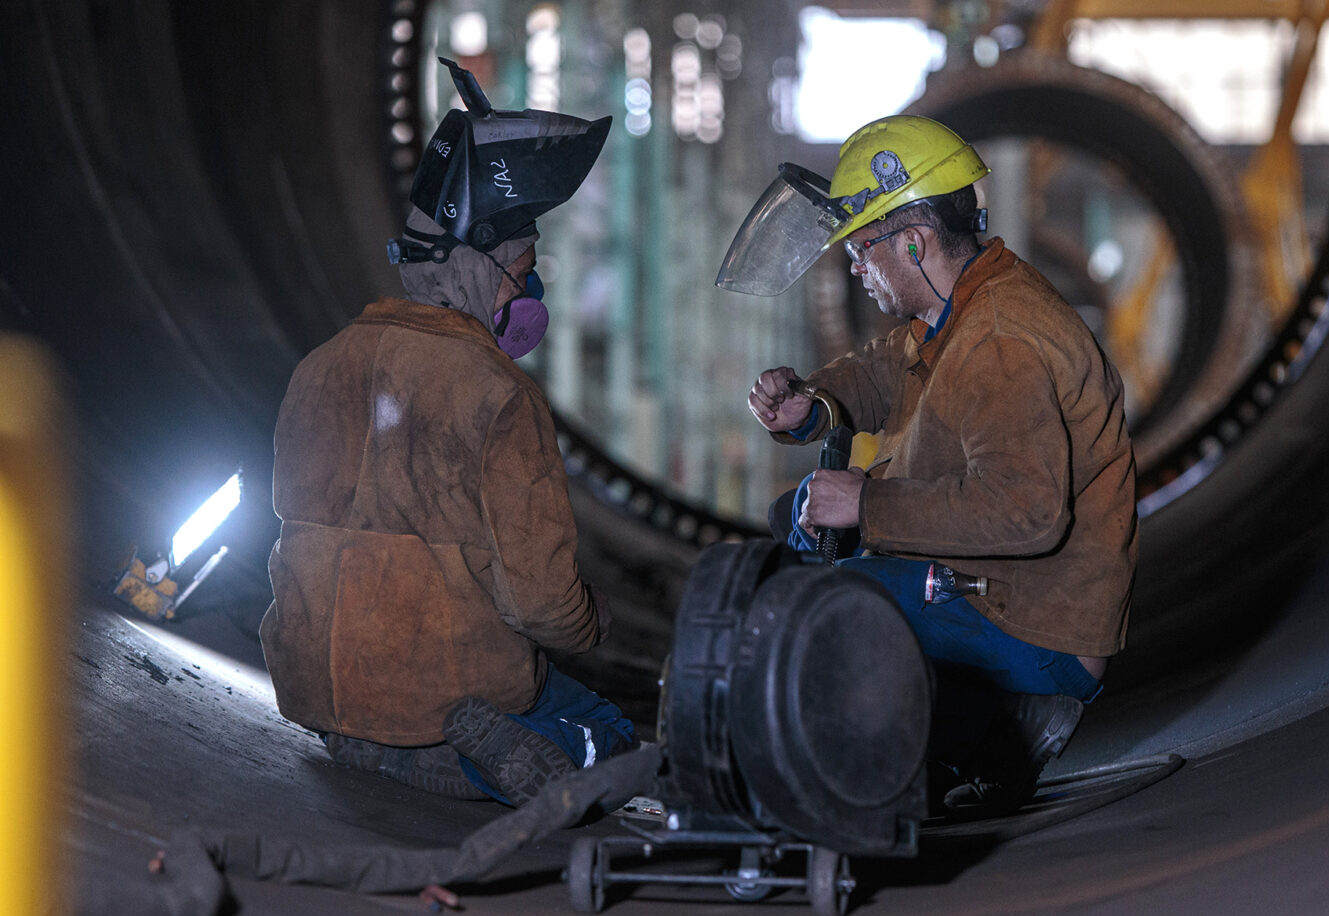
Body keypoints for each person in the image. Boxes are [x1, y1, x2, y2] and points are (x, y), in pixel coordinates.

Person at [725, 115, 1138, 817]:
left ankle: (994, 726)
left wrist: (867, 505)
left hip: (1036, 622)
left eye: (862, 251)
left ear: (911, 241)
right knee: (793, 531)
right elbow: (889, 370)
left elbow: (1028, 512)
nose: (857, 270)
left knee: (827, 612)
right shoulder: (964, 306)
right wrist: (814, 405)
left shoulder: (1000, 339)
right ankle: (972, 721)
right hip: (1003, 586)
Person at [259, 58, 636, 806]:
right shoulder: (498, 395)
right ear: (477, 266)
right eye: (521, 269)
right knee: (610, 736)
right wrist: (597, 622)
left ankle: (365, 735)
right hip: (445, 688)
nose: (526, 289)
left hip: (312, 682)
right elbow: (543, 606)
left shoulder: (316, 368)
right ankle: (457, 756)